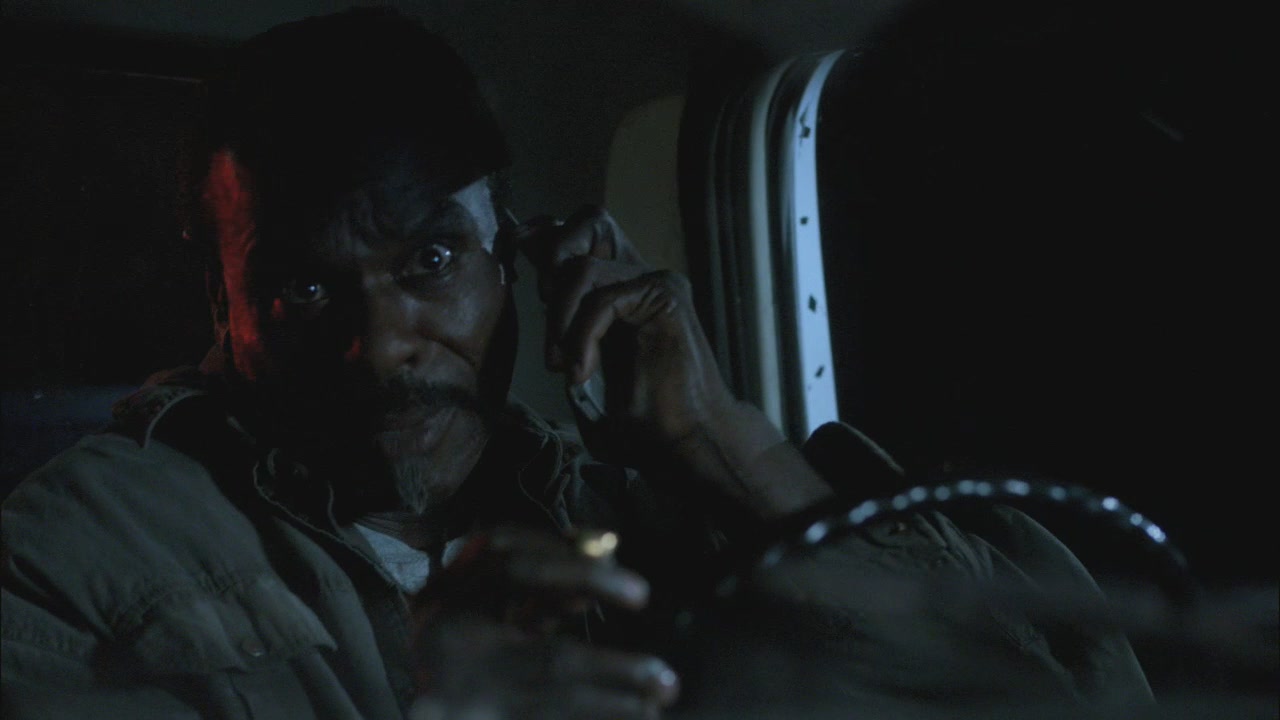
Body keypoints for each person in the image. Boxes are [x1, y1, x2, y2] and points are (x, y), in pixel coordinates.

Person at [1, 8, 1152, 719]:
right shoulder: (71, 561)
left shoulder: (642, 520)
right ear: (223, 306)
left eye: (430, 260)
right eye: (301, 290)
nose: (383, 344)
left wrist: (722, 443)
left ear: (521, 255)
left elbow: (1050, 699)